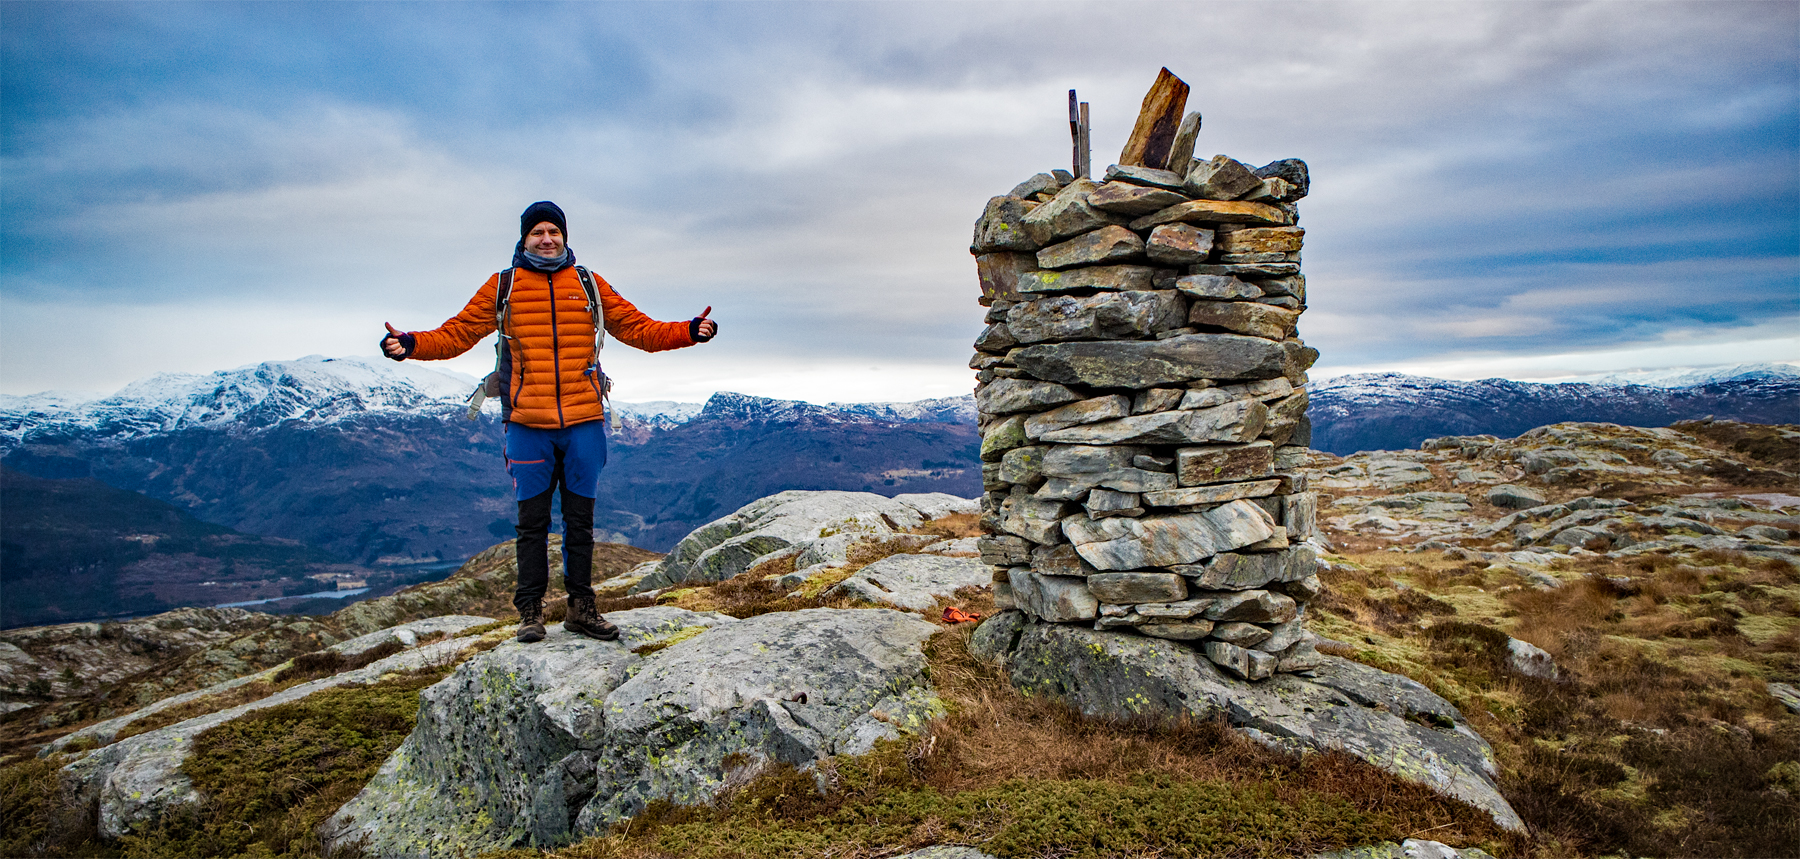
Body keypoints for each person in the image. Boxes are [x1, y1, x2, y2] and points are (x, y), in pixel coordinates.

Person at [380, 201, 716, 643]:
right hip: (527, 423)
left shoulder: (588, 283)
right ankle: (530, 612)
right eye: (537, 232)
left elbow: (637, 328)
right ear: (524, 239)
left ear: (564, 237)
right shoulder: (503, 286)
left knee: (580, 524)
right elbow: (457, 333)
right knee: (532, 525)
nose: (546, 239)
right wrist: (411, 344)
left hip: (583, 421)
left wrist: (687, 332)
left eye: (553, 232)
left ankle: (581, 609)